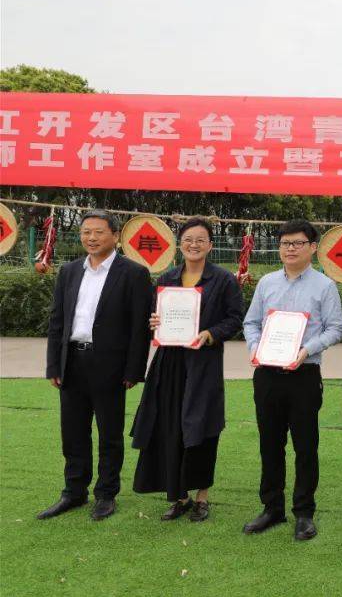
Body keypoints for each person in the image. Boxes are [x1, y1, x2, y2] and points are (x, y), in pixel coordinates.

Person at [38, 209, 152, 521]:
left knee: (109, 433)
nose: (91, 237)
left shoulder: (134, 274)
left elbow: (139, 327)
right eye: (86, 232)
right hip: (72, 362)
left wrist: (133, 370)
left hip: (110, 365)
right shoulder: (69, 271)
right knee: (73, 432)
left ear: (115, 236)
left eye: (99, 232)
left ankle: (106, 493)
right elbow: (57, 321)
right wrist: (54, 365)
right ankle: (74, 491)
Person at [131, 217, 244, 523]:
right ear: (180, 244)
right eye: (188, 240)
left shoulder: (223, 280)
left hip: (203, 363)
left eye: (200, 240)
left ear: (210, 245)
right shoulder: (166, 279)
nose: (194, 245)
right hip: (169, 362)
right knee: (170, 426)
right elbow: (155, 316)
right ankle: (179, 496)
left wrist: (211, 334)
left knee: (202, 426)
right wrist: (154, 321)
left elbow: (235, 319)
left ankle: (202, 497)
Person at [242, 219, 342, 541]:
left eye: (298, 243)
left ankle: (304, 513)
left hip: (304, 375)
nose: (290, 249)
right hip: (267, 375)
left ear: (312, 247)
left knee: (305, 446)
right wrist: (255, 347)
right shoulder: (267, 283)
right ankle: (272, 508)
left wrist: (307, 349)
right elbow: (251, 323)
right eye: (285, 243)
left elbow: (335, 328)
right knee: (270, 445)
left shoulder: (324, 286)